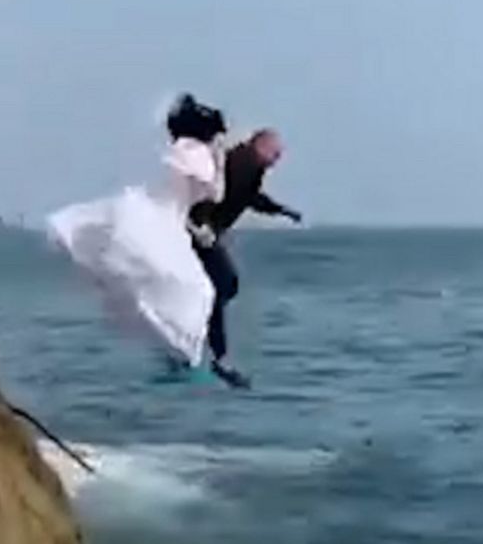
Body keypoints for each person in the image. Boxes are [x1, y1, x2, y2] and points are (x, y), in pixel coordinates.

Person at [47, 95, 228, 369]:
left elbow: (182, 195)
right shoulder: (196, 153)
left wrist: (196, 229)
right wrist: (220, 160)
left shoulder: (184, 149)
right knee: (198, 291)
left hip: (162, 217)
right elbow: (215, 193)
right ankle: (181, 351)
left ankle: (177, 346)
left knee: (176, 285)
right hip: (160, 220)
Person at [187, 128, 300, 387]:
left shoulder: (251, 168)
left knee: (220, 287)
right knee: (223, 284)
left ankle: (200, 345)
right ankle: (216, 356)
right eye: (275, 152)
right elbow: (210, 187)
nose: (278, 158)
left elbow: (250, 198)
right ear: (259, 146)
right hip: (198, 231)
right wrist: (200, 222)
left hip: (205, 232)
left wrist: (281, 210)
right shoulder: (240, 163)